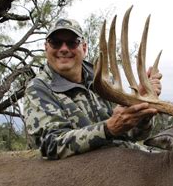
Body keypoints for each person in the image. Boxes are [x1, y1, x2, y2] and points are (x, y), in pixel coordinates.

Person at [23, 18, 162, 159]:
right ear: (46, 47)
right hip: (81, 172)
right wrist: (107, 129)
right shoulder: (38, 89)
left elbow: (133, 135)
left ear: (83, 48)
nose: (64, 49)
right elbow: (50, 145)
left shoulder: (104, 82)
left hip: (120, 159)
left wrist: (142, 109)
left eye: (72, 42)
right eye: (55, 43)